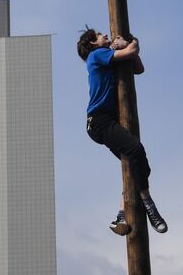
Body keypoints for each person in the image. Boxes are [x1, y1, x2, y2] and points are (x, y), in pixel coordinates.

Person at [77, 28, 167, 236]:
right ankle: (149, 205)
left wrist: (124, 46)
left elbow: (138, 68)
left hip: (106, 120)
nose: (106, 36)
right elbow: (132, 50)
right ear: (93, 43)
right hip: (99, 120)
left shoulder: (108, 56)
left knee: (136, 164)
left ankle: (120, 214)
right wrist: (129, 41)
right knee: (135, 150)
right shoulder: (96, 55)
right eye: (101, 35)